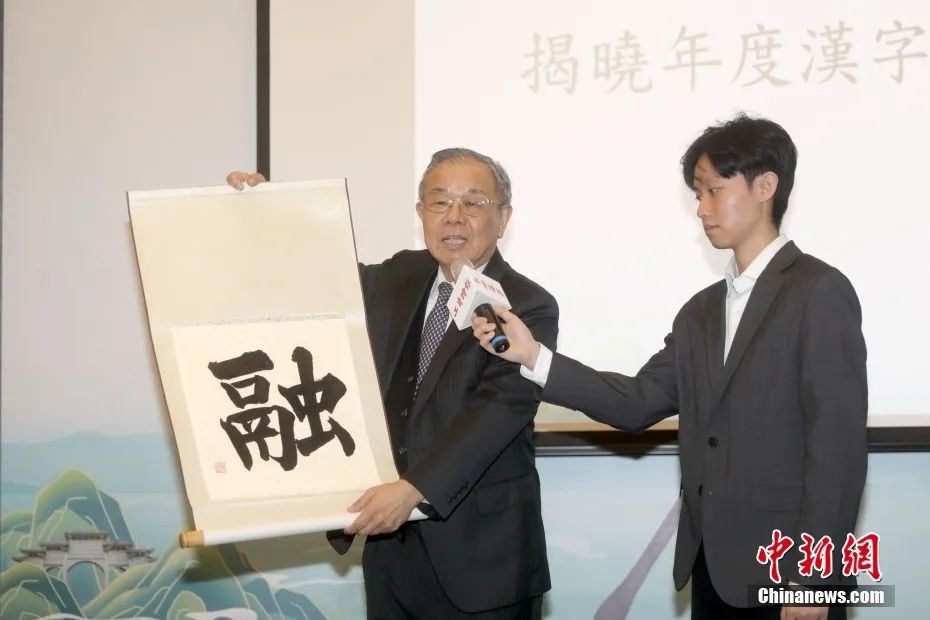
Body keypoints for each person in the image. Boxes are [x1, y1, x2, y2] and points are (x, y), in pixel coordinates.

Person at [473, 115, 867, 620]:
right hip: (711, 568)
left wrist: (814, 580)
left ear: (766, 186)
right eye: (697, 194)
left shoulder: (818, 291)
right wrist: (533, 356)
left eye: (713, 190)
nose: (701, 208)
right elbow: (636, 402)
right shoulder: (700, 312)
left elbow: (837, 450)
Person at [229, 147, 558, 618]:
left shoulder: (527, 304)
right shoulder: (402, 274)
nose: (454, 217)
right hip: (392, 550)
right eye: (439, 202)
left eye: (473, 202)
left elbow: (496, 413)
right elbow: (322, 276)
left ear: (503, 217)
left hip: (484, 558)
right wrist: (267, 212)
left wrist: (413, 490)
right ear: (421, 213)